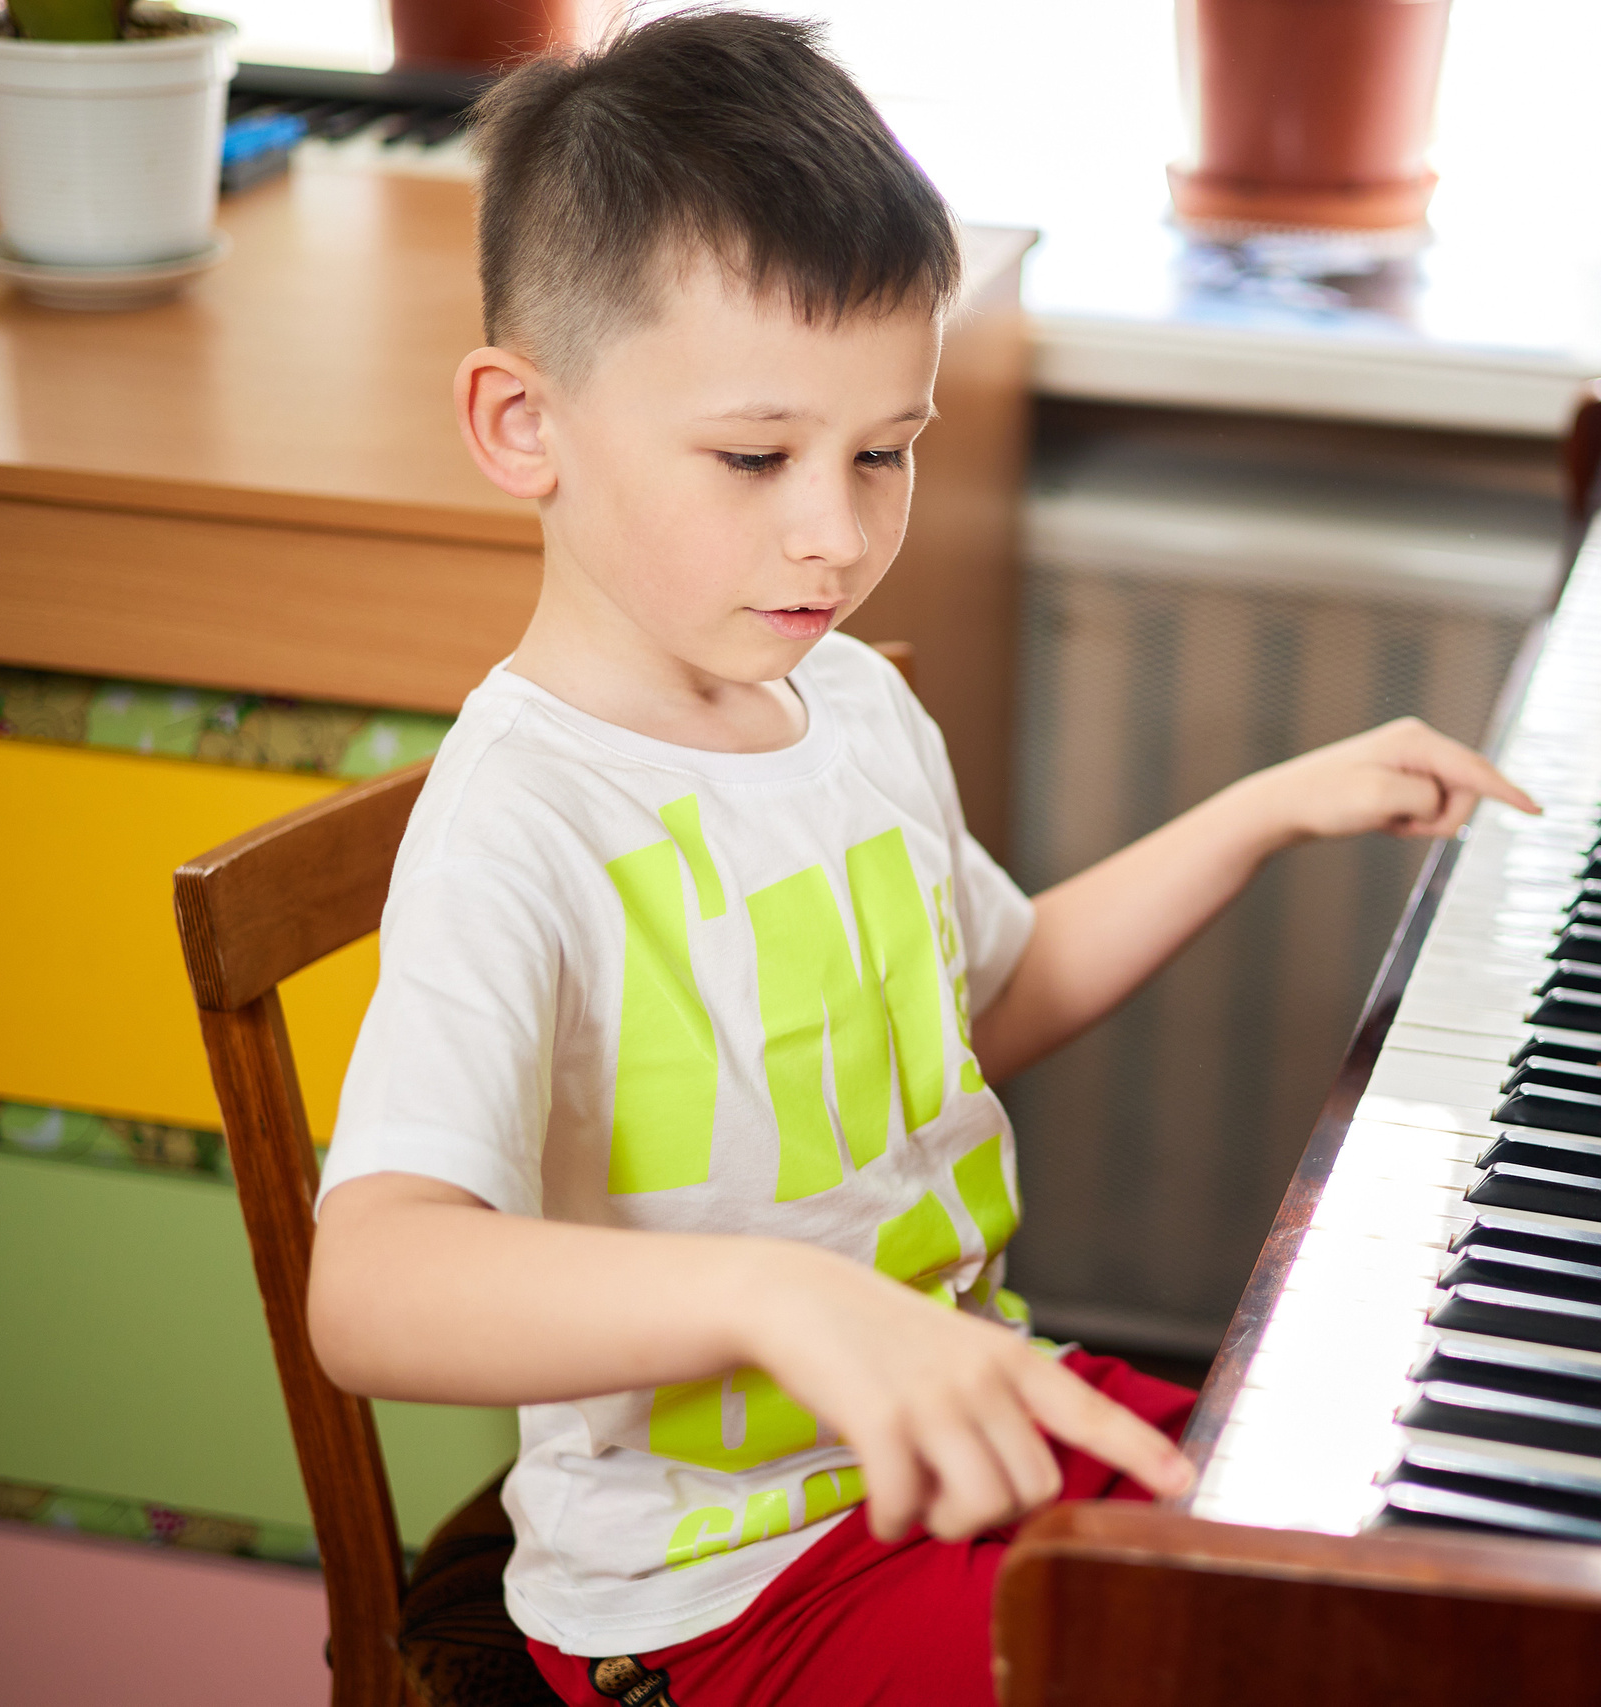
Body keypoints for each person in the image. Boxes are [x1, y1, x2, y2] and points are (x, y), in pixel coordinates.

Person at [304, 12, 1538, 1706]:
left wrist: (1260, 808)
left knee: (1374, 1544)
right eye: (757, 458)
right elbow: (371, 1288)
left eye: (884, 452)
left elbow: (996, 994)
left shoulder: (850, 711)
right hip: (726, 1595)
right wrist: (779, 1303)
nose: (837, 527)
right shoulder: (520, 824)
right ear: (525, 426)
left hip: (964, 1428)